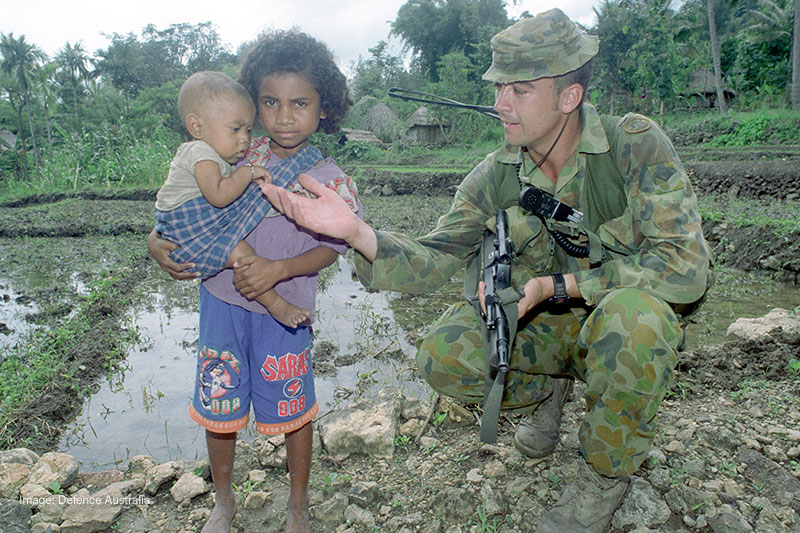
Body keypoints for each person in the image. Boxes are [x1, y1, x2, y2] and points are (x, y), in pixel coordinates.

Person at [259, 9, 710, 533]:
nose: (500, 104)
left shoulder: (633, 146)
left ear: (569, 98)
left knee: (636, 320)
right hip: (544, 327)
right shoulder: (495, 174)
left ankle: (603, 480)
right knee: (445, 353)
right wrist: (356, 232)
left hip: (618, 326)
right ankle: (550, 390)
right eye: (498, 88)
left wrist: (556, 285)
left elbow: (685, 265)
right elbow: (436, 256)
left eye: (519, 90)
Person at [148, 30, 359, 533]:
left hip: (287, 309)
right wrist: (154, 244)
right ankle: (223, 502)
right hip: (222, 302)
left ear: (324, 108)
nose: (284, 115)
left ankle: (297, 505)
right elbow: (181, 206)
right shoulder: (234, 155)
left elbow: (332, 249)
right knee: (220, 403)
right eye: (271, 102)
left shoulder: (331, 181)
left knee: (295, 404)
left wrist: (281, 269)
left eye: (300, 103)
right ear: (254, 103)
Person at [155, 70, 311, 328]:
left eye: (248, 130)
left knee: (241, 254)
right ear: (196, 127)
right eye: (235, 129)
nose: (244, 139)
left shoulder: (216, 156)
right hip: (188, 233)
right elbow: (219, 196)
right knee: (243, 255)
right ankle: (275, 304)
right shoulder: (200, 153)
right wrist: (247, 173)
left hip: (189, 233)